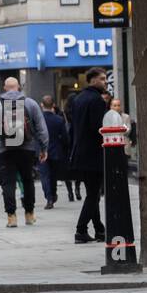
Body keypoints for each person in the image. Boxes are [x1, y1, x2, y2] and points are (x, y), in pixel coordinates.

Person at [0, 77, 48, 228]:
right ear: (19, 87)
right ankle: (29, 214)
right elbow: (41, 128)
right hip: (27, 148)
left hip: (5, 149)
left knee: (8, 183)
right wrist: (44, 148)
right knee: (27, 181)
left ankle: (11, 217)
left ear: (5, 88)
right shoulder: (30, 103)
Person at [67, 67, 108, 244]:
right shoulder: (97, 101)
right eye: (102, 79)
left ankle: (99, 229)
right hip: (93, 154)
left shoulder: (78, 99)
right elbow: (98, 128)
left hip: (80, 153)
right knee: (93, 194)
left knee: (92, 192)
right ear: (92, 80)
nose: (105, 82)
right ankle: (81, 230)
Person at [38, 95, 69, 209]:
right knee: (53, 175)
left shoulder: (38, 120)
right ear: (53, 105)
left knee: (45, 175)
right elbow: (65, 137)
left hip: (41, 151)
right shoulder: (59, 120)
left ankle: (49, 197)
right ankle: (53, 193)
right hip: (56, 151)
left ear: (42, 105)